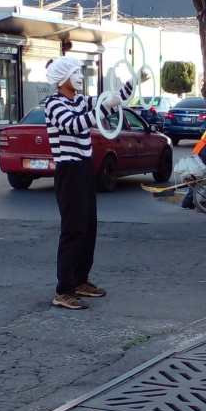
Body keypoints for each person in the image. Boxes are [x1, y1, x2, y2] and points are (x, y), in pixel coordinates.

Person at [44, 57, 146, 310]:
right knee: (73, 229)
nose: (80, 76)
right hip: (68, 170)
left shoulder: (80, 100)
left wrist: (134, 81)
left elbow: (110, 101)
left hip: (84, 167)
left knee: (89, 227)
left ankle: (80, 280)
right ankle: (63, 290)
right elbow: (75, 124)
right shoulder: (53, 105)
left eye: (80, 71)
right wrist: (104, 108)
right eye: (74, 72)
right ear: (61, 79)